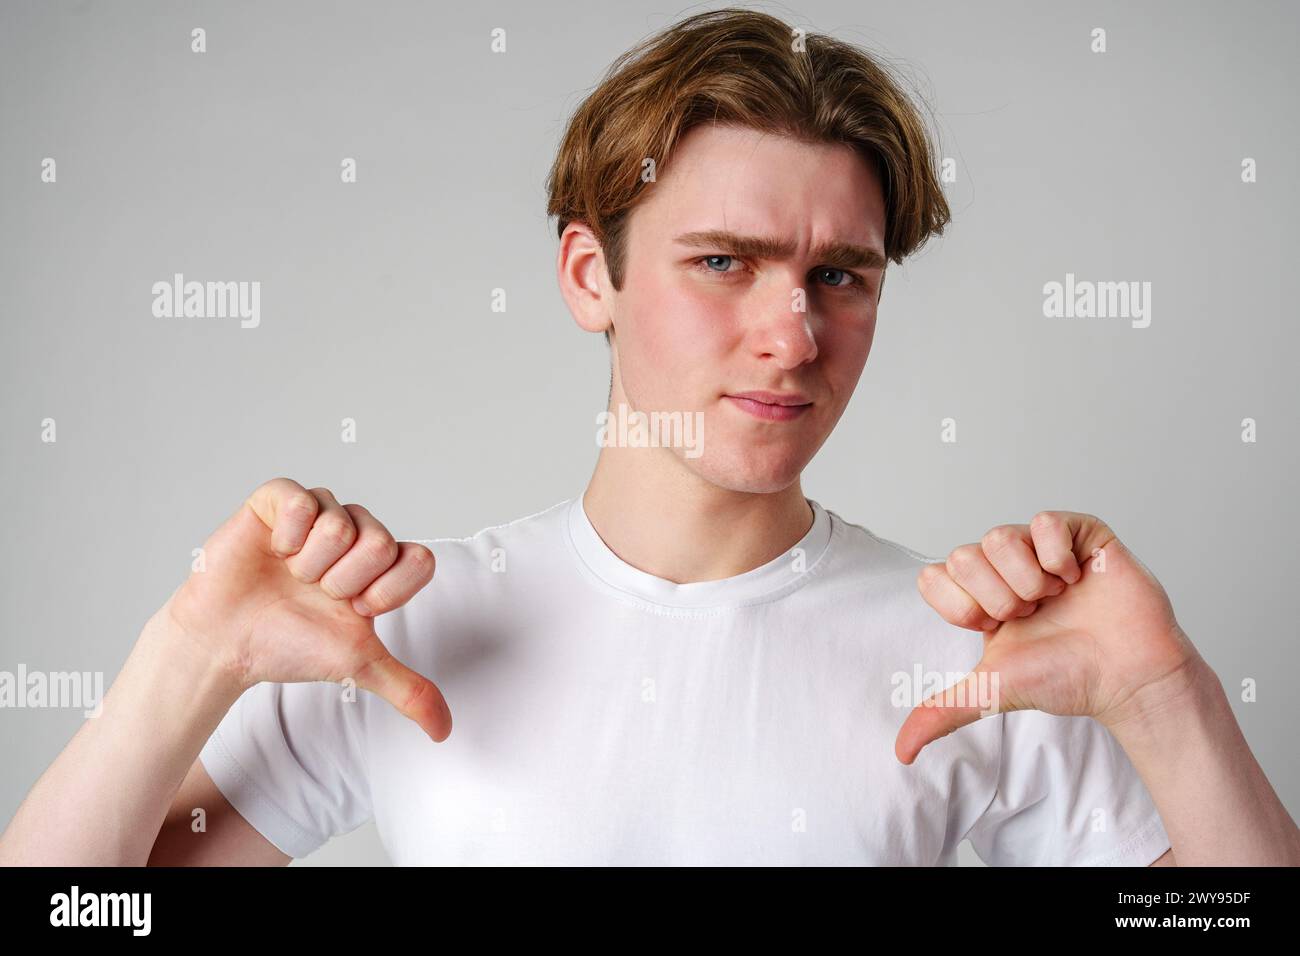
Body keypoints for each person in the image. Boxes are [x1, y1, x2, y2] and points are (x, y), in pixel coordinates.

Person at [2, 7, 1296, 867]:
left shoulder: (976, 660)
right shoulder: (396, 639)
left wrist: (1172, 705)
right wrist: (186, 658)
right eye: (724, 261)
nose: (794, 332)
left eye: (842, 275)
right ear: (589, 275)